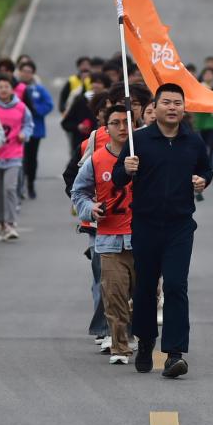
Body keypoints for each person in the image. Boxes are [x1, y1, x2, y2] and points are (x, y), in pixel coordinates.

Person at [113, 84, 213, 378]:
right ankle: (145, 342)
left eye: (177, 103)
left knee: (175, 286)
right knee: (145, 287)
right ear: (154, 108)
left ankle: (174, 354)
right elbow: (117, 179)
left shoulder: (193, 141)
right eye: (166, 102)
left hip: (180, 226)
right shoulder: (139, 140)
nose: (172, 107)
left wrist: (202, 180)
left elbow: (206, 170)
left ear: (184, 108)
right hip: (145, 225)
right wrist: (126, 168)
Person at [71, 102, 136, 364]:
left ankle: (140, 337)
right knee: (114, 295)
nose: (122, 128)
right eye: (115, 123)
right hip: (109, 238)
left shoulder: (144, 155)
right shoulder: (96, 159)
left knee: (145, 296)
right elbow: (79, 192)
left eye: (126, 122)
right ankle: (119, 346)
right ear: (106, 128)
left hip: (143, 237)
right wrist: (90, 208)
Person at [0, 74, 31, 241]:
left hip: (14, 154)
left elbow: (28, 125)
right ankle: (1, 222)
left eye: (6, 87)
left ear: (12, 89)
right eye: (0, 87)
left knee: (10, 188)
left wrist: (24, 134)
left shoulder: (21, 107)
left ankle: (11, 223)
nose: (3, 90)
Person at [17, 60, 54, 199]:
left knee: (31, 159)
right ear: (19, 72)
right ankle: (19, 186)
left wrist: (35, 110)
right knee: (20, 159)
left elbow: (49, 104)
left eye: (29, 72)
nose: (26, 74)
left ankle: (30, 184)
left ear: (33, 74)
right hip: (17, 130)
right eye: (24, 71)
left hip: (35, 130)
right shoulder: (15, 88)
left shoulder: (38, 89)